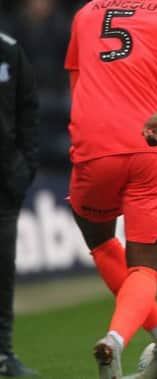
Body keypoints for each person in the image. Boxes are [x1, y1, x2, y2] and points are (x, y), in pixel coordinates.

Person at [63, 0, 157, 377]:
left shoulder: (87, 12)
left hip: (93, 148)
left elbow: (76, 75)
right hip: (149, 145)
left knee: (100, 239)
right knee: (144, 266)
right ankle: (116, 339)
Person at [0, 32, 38, 377]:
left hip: (4, 183)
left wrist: (26, 166)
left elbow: (28, 109)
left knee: (2, 270)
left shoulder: (9, 50)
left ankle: (3, 354)